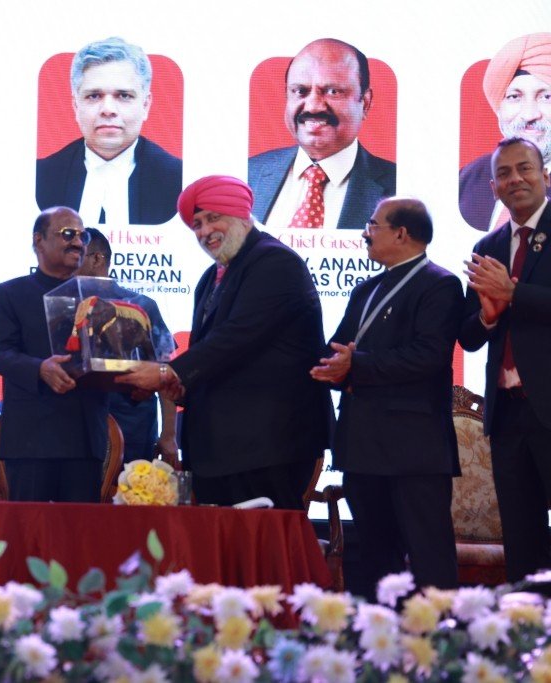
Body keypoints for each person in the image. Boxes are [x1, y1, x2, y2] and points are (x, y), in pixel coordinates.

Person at [117, 176, 331, 510]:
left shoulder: (276, 263)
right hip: (219, 449)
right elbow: (214, 354)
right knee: (220, 542)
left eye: (213, 218)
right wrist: (180, 386)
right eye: (197, 224)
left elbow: (237, 338)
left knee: (262, 541)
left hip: (267, 446)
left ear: (242, 215)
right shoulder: (211, 277)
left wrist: (167, 372)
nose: (205, 231)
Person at [312, 197, 461, 593]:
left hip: (414, 449)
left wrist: (356, 366)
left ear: (401, 234)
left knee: (429, 557)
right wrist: (327, 367)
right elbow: (340, 348)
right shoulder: (366, 289)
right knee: (375, 559)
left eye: (373, 225)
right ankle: (379, 630)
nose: (366, 234)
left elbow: (428, 356)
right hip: (362, 443)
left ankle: (439, 631)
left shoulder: (440, 284)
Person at [460, 137, 551, 581]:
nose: (515, 179)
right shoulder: (489, 245)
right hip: (508, 414)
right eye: (503, 174)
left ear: (545, 176)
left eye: (524, 168)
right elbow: (468, 336)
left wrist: (514, 293)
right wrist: (488, 316)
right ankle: (526, 619)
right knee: (521, 537)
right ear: (494, 188)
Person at [0, 207, 110, 501]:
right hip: (31, 438)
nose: (78, 242)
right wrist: (39, 368)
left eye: (83, 236)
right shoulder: (9, 294)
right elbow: (0, 353)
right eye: (68, 234)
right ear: (38, 240)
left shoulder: (101, 298)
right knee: (30, 528)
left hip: (85, 439)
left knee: (81, 528)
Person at [248, 38, 396, 230]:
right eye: (300, 91)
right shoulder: (250, 173)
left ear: (365, 103)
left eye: (333, 91)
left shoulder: (398, 186)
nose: (313, 106)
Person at [36, 37, 182, 226]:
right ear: (76, 105)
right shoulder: (42, 176)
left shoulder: (178, 180)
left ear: (145, 105)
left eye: (124, 96)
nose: (108, 109)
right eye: (94, 96)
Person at [76, 227, 178, 464]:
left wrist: (169, 435)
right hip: (75, 429)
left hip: (132, 429)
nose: (68, 262)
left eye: (76, 254)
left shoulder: (141, 306)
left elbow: (166, 372)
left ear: (97, 259)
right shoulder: (63, 307)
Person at [459, 33, 551, 231]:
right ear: (499, 107)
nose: (529, 114)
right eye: (514, 97)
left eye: (546, 97)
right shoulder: (469, 179)